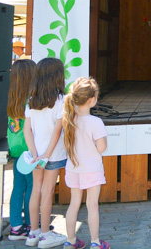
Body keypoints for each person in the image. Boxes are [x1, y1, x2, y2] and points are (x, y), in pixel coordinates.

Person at [22, 57, 68, 248]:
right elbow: (58, 131)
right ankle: (45, 235)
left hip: (36, 156)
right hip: (54, 155)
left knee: (36, 190)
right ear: (57, 76)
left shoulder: (32, 100)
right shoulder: (61, 101)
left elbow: (27, 129)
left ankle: (33, 233)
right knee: (48, 192)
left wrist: (35, 154)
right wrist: (47, 155)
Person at [62, 77, 109, 249]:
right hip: (92, 170)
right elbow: (101, 148)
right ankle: (95, 242)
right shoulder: (96, 122)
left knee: (74, 204)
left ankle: (71, 240)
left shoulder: (68, 120)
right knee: (92, 205)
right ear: (92, 100)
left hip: (73, 169)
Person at [6, 59, 37, 241]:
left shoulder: (12, 101)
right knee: (32, 187)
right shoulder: (31, 103)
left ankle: (16, 225)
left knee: (18, 187)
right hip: (30, 152)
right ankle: (32, 225)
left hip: (17, 151)